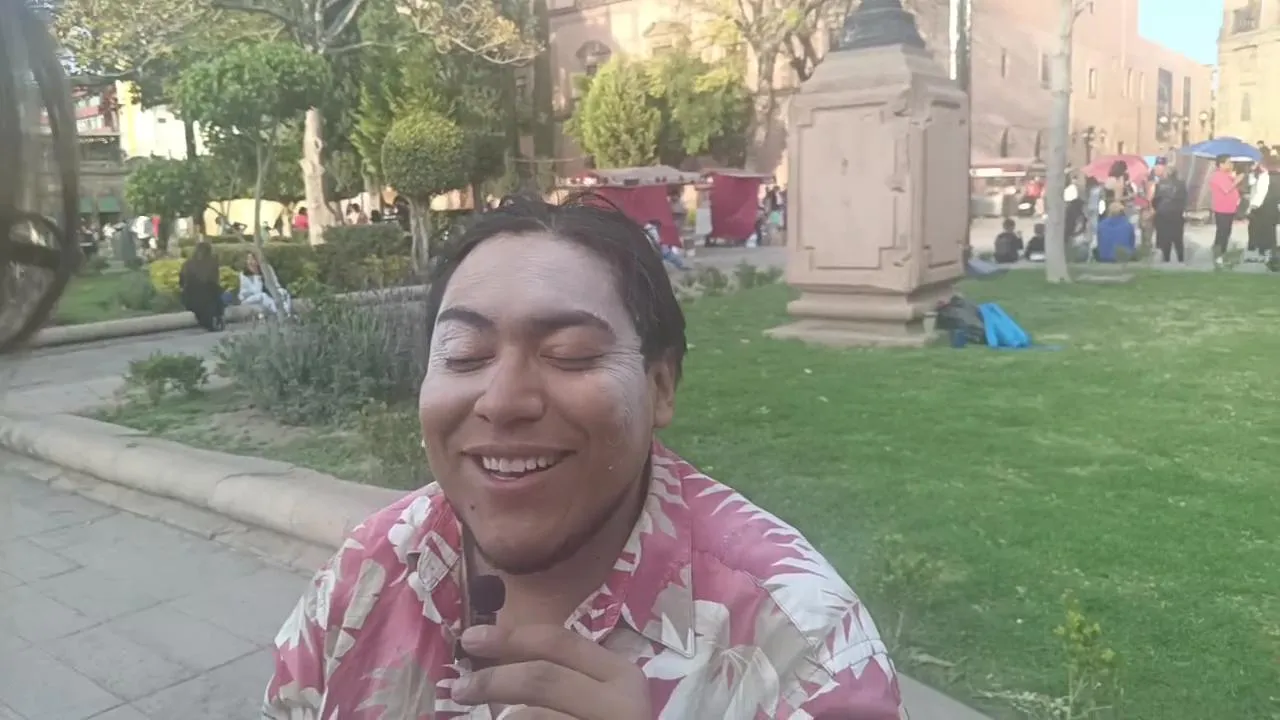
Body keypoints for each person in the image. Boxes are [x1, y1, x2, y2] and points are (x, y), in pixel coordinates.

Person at [263, 196, 902, 719]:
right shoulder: (366, 574)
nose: (503, 401)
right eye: (464, 355)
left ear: (660, 387)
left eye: (570, 354)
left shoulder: (801, 648)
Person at [179, 242, 226, 331]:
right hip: (209, 300)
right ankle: (218, 318)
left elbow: (181, 283)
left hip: (190, 300)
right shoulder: (212, 263)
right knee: (224, 296)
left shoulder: (187, 264)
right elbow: (214, 283)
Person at [1209, 153, 1244, 267]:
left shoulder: (1227, 175)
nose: (1231, 164)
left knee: (1226, 232)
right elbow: (1226, 189)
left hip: (1230, 209)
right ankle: (1218, 256)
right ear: (1221, 164)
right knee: (1222, 233)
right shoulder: (1217, 176)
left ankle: (1219, 253)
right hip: (1222, 209)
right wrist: (1237, 180)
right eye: (1228, 162)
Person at [1151, 164, 1188, 263]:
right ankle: (1180, 259)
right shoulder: (1182, 184)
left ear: (1167, 173)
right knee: (1178, 238)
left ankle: (1166, 259)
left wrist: (1157, 209)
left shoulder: (1160, 184)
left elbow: (1155, 200)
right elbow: (1184, 199)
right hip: (1177, 213)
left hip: (1163, 213)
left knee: (1165, 238)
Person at [238, 251, 292, 317]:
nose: (251, 262)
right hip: (249, 298)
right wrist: (257, 276)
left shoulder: (267, 269)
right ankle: (280, 313)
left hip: (269, 294)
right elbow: (256, 292)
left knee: (284, 292)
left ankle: (288, 313)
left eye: (253, 259)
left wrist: (279, 290)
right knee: (263, 296)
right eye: (249, 260)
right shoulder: (244, 275)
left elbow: (275, 283)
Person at [1247, 159, 1280, 262]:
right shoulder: (1274, 176)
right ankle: (1272, 252)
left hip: (1265, 206)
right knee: (1272, 229)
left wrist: (1253, 206)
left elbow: (1261, 193)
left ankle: (1266, 252)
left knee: (1265, 230)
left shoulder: (1265, 177)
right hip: (1274, 206)